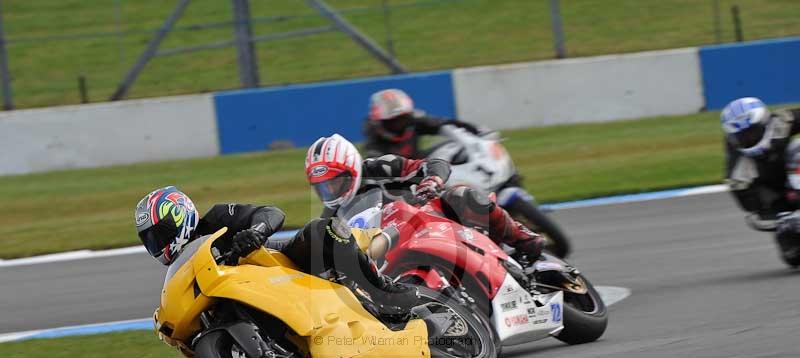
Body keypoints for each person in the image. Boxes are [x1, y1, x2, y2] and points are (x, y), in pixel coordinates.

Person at [134, 186, 417, 314]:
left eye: (160, 234)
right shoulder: (183, 267)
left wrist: (254, 234)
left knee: (321, 229)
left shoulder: (217, 218)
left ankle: (382, 288)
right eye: (150, 240)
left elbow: (272, 212)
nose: (157, 244)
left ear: (179, 217)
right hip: (255, 294)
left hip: (283, 264)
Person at [305, 134, 544, 259]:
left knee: (461, 194)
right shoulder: (331, 217)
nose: (332, 190)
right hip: (391, 250)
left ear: (353, 167)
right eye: (324, 186)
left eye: (337, 181)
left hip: (428, 219)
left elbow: (434, 164)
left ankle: (522, 237)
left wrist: (431, 181)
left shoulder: (380, 168)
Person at [721, 97, 800, 227]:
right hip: (775, 194)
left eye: (752, 132)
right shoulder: (738, 167)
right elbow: (749, 205)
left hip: (793, 168)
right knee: (787, 234)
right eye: (742, 136)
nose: (748, 139)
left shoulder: (782, 121)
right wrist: (770, 210)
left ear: (765, 123)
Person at [363, 88, 481, 159]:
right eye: (393, 121)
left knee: (451, 148)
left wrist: (475, 130)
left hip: (421, 168)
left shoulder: (414, 121)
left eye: (403, 118)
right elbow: (374, 166)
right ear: (380, 122)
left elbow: (442, 123)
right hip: (398, 183)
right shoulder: (374, 140)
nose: (400, 124)